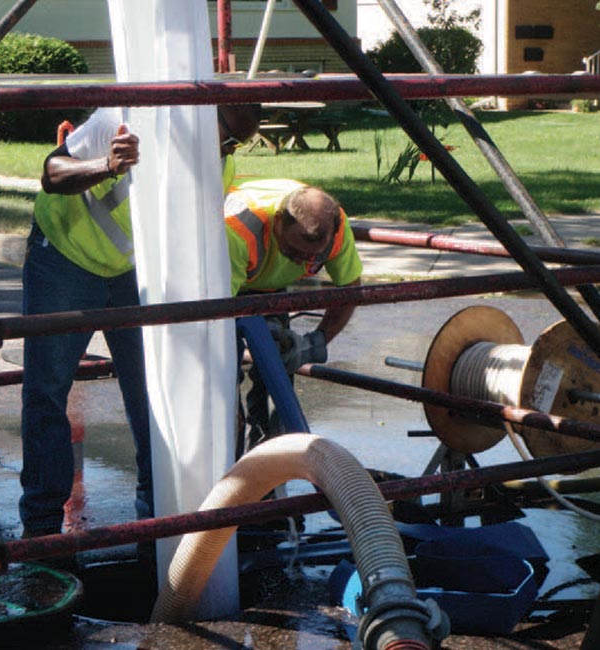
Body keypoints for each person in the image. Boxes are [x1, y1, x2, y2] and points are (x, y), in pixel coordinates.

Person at [20, 105, 260, 538]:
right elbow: (51, 174)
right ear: (205, 118)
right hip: (64, 259)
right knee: (47, 393)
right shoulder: (122, 121)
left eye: (236, 146)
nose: (227, 152)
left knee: (153, 392)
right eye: (226, 140)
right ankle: (40, 530)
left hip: (131, 273)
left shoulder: (219, 164)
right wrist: (107, 165)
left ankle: (155, 521)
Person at [224, 178, 363, 455]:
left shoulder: (334, 226)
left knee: (278, 380)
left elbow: (349, 289)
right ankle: (229, 474)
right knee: (224, 399)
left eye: (312, 258)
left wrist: (315, 343)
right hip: (227, 289)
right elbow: (215, 314)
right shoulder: (238, 230)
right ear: (277, 222)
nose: (302, 262)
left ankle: (269, 468)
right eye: (294, 252)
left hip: (270, 286)